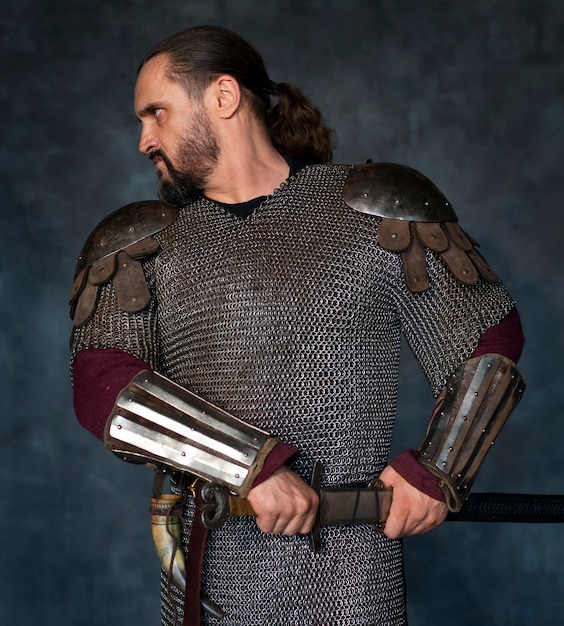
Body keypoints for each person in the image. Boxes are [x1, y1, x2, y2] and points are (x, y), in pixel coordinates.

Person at [69, 25, 525, 626]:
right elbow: (101, 384)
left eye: (156, 112)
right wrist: (251, 466)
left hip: (350, 571)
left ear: (223, 96)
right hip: (222, 569)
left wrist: (438, 469)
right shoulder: (147, 246)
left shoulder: (369, 211)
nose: (144, 139)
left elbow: (486, 333)